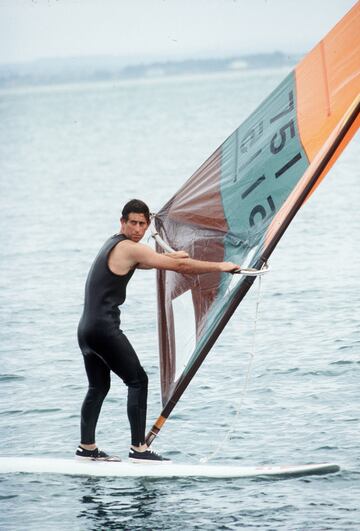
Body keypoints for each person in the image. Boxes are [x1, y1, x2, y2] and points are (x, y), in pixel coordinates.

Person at [76, 199, 241, 462]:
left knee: (98, 387)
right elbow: (180, 267)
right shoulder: (130, 247)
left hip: (86, 330)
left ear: (147, 223)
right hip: (104, 329)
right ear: (122, 222)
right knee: (138, 381)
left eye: (143, 224)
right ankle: (138, 449)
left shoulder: (114, 245)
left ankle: (86, 448)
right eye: (133, 223)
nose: (138, 229)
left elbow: (152, 262)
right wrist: (220, 266)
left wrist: (172, 257)